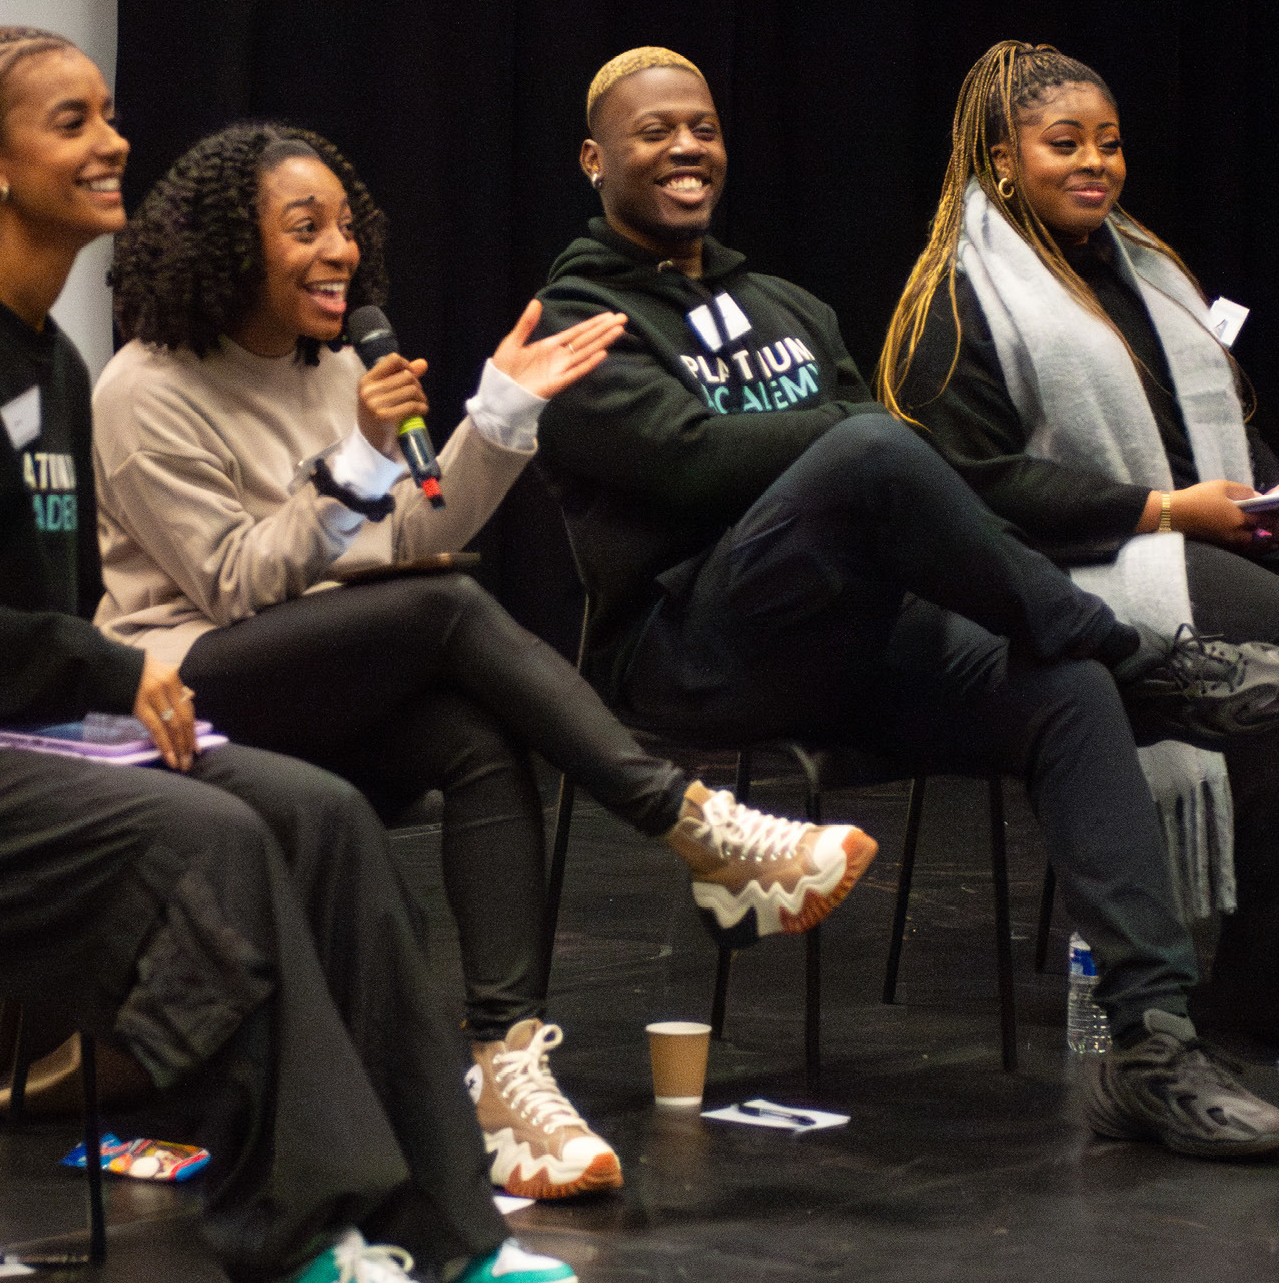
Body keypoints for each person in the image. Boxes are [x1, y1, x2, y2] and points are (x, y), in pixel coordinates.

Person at [0, 23, 579, 1283]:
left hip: (0, 737)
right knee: (208, 839)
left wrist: (95, 690)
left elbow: (48, 613)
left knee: (319, 814)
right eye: (69, 121)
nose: (111, 141)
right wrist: (107, 673)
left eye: (108, 113)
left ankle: (439, 1216)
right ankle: (301, 1260)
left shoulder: (48, 362)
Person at [530, 43, 1279, 1160]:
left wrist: (855, 453)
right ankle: (1140, 654)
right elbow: (690, 462)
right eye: (654, 131)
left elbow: (886, 482)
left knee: (1063, 688)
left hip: (853, 639)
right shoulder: (570, 325)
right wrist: (845, 440)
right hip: (698, 649)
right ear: (593, 158)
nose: (686, 148)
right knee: (871, 450)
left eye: (702, 126)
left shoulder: (788, 305)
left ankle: (1150, 1044)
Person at [89, 116, 878, 1202]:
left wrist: (499, 417)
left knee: (475, 738)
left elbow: (409, 531)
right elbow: (233, 583)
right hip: (184, 688)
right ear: (230, 247)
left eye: (344, 226)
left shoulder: (335, 366)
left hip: (317, 671)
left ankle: (506, 1070)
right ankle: (691, 822)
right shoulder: (143, 388)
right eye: (304, 229)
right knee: (445, 608)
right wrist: (358, 455)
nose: (339, 251)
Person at [881, 40, 1279, 1054]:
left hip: (1184, 529)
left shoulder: (1146, 270)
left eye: (1109, 143)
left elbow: (1219, 417)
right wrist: (1165, 510)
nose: (1095, 163)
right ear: (1001, 161)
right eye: (1064, 143)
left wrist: (1272, 488)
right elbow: (973, 489)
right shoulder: (956, 295)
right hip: (1055, 566)